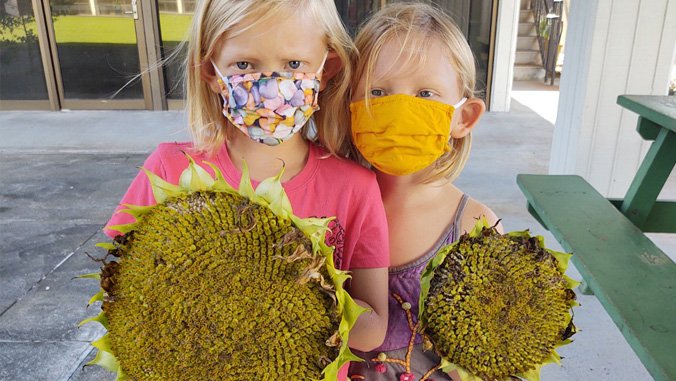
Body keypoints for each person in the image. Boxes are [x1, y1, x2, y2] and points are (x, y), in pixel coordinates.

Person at [104, 0, 389, 378]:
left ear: (327, 68)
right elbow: (122, 289)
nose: (271, 86)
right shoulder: (169, 170)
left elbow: (373, 331)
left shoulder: (355, 189)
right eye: (245, 65)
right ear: (210, 71)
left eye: (292, 65)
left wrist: (282, 299)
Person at [347, 3, 503, 380]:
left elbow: (499, 349)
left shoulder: (474, 223)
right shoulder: (332, 205)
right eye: (379, 91)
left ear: (463, 118)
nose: (400, 110)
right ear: (349, 105)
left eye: (425, 94)